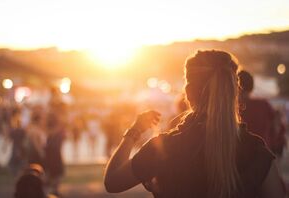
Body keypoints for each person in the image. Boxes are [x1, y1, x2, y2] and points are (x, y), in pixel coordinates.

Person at [104, 50, 286, 198]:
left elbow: (112, 182)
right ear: (233, 93)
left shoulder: (166, 148)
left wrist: (134, 131)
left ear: (188, 94)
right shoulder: (255, 152)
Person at [238, 70, 287, 156]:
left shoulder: (233, 109)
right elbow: (278, 127)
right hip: (263, 156)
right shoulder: (264, 105)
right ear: (251, 87)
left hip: (241, 157)